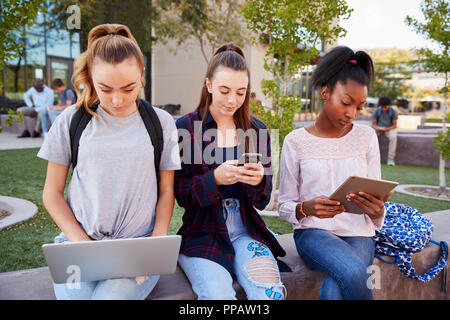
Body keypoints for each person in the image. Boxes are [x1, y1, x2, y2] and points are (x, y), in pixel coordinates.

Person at [37, 24, 181, 300]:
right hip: (77, 247)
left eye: (128, 88)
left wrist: (157, 241)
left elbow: (166, 190)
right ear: (90, 78)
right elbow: (51, 193)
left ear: (141, 75)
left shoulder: (162, 124)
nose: (117, 100)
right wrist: (82, 244)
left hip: (138, 253)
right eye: (105, 89)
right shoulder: (70, 121)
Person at [278, 46, 393, 300]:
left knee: (333, 291)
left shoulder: (366, 137)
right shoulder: (295, 141)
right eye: (345, 102)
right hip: (312, 233)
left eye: (360, 107)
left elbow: (377, 196)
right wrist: (305, 208)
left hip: (358, 233)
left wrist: (377, 210)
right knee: (354, 270)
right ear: (325, 92)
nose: (352, 113)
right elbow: (283, 204)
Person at [174, 43, 287, 300]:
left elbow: (263, 199)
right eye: (224, 90)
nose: (232, 100)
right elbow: (181, 194)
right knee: (217, 296)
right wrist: (214, 179)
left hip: (247, 229)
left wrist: (259, 180)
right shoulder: (187, 128)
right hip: (202, 232)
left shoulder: (257, 131)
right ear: (209, 85)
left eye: (240, 92)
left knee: (270, 295)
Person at [371, 96, 398, 166]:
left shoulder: (393, 111)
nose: (383, 109)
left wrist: (386, 129)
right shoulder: (377, 111)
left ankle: (390, 158)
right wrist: (377, 128)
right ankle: (371, 157)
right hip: (379, 128)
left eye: (385, 107)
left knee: (393, 137)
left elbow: (395, 125)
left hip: (389, 128)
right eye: (382, 107)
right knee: (370, 135)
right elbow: (373, 124)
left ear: (389, 105)